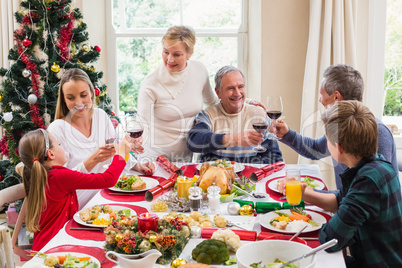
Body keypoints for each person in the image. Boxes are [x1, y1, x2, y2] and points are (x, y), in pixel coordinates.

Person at [283, 101, 402, 267]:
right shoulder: (375, 165)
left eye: (328, 141)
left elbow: (331, 239)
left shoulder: (368, 182)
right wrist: (308, 194)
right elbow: (344, 200)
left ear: (338, 148)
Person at [137, 25, 264, 164]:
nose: (170, 59)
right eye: (166, 52)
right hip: (154, 157)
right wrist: (136, 147)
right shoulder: (150, 83)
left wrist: (244, 102)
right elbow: (142, 125)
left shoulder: (198, 70)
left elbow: (214, 101)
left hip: (184, 158)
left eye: (177, 54)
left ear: (189, 53)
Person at [275, 64, 397, 189]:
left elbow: (377, 189)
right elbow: (317, 149)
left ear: (336, 97)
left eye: (322, 95)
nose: (320, 100)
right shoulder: (341, 126)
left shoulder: (378, 133)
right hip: (347, 202)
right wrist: (287, 134)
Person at [48, 68, 155, 207]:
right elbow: (59, 182)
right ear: (64, 99)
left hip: (105, 195)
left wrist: (138, 166)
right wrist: (92, 160)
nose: (79, 103)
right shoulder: (57, 129)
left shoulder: (100, 116)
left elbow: (115, 152)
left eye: (83, 95)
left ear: (92, 93)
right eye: (70, 98)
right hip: (76, 204)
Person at [19, 129, 132, 251]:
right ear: (51, 154)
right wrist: (120, 156)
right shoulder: (59, 176)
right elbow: (108, 180)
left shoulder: (44, 175)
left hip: (45, 243)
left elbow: (78, 175)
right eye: (59, 145)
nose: (63, 148)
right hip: (55, 247)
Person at [187, 66, 283, 164]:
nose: (237, 93)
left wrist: (247, 170)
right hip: (218, 175)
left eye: (240, 87)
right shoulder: (208, 114)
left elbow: (275, 158)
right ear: (218, 92)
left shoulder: (259, 114)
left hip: (250, 177)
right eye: (230, 88)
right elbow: (194, 141)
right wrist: (235, 139)